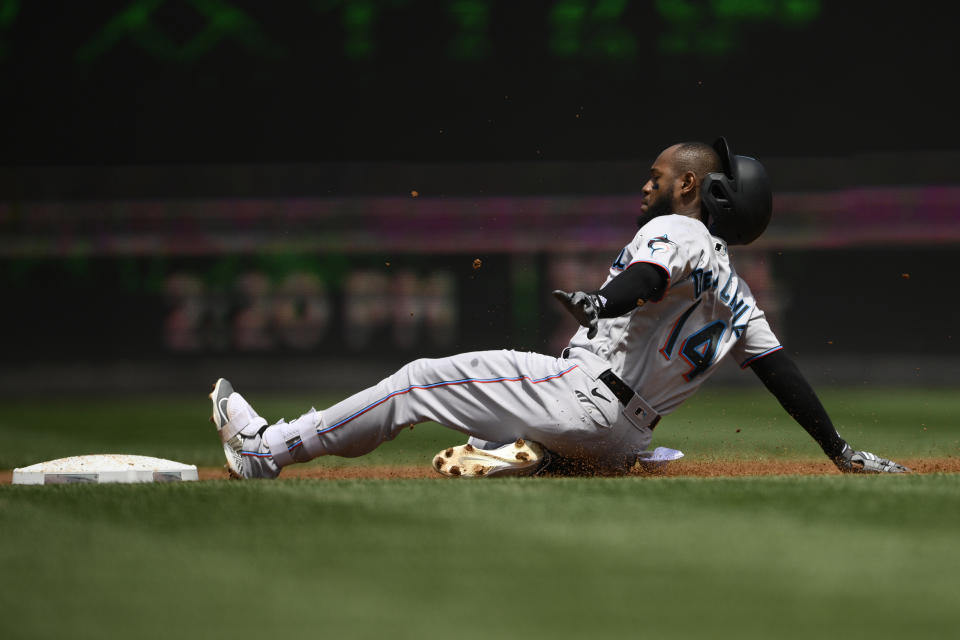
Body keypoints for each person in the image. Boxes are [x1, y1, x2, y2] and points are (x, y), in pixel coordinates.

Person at [209, 138, 909, 479]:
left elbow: (644, 275)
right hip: (626, 439)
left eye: (659, 176)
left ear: (693, 186)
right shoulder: (738, 291)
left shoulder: (680, 229)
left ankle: (266, 451)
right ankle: (532, 458)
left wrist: (601, 300)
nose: (647, 184)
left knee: (419, 380)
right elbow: (781, 371)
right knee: (549, 420)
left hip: (588, 399)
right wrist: (838, 450)